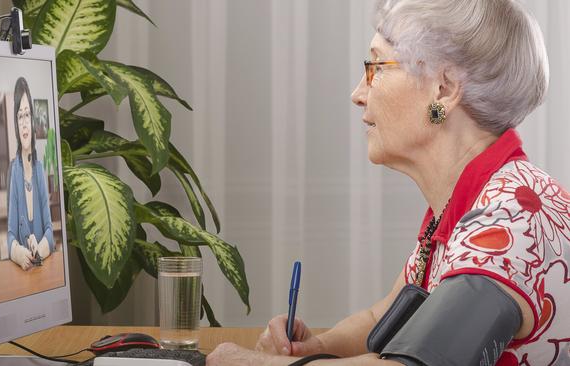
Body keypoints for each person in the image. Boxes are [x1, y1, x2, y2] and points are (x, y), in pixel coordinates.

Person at [207, 0, 569, 365]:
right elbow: (382, 321)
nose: (358, 94)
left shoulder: (512, 219)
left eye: (376, 67)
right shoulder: (470, 204)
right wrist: (316, 348)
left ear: (443, 89)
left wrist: (243, 362)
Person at [7, 77, 54, 271]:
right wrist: (18, 253)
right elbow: (10, 234)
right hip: (21, 276)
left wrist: (39, 249)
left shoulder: (40, 169)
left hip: (43, 273)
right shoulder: (14, 170)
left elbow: (50, 232)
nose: (24, 123)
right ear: (16, 125)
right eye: (20, 116)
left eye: (27, 115)